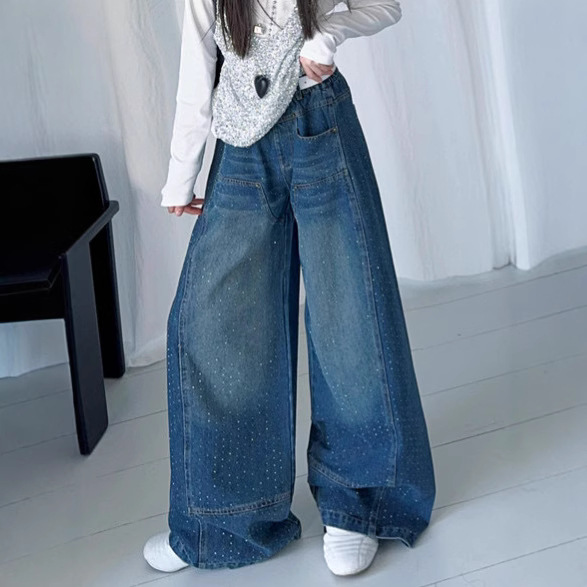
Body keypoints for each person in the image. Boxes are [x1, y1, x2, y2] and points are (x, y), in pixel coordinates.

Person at [144, 0, 436, 577]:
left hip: (319, 121)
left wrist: (327, 33)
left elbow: (385, 5)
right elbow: (197, 65)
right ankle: (221, 519)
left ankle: (357, 504)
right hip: (240, 144)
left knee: (350, 313)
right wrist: (182, 172)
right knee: (214, 322)